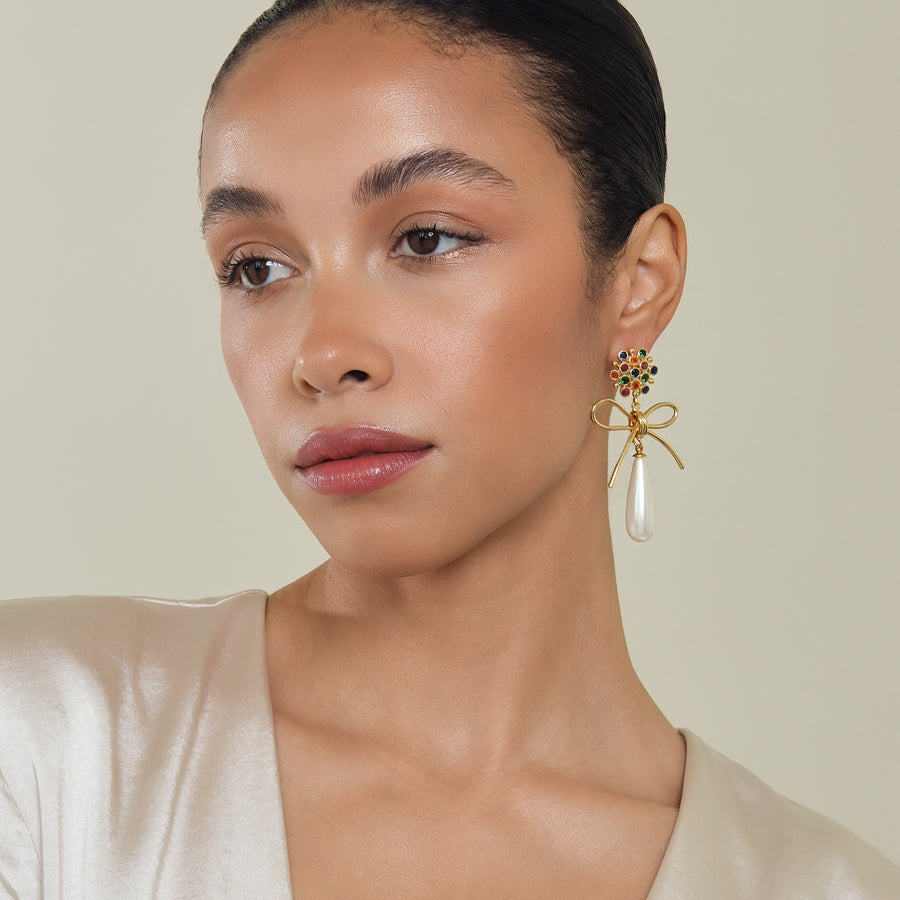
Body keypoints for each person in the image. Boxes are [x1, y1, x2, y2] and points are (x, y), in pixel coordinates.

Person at [1, 0, 898, 897]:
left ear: (638, 284)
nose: (323, 355)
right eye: (256, 268)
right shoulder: (45, 741)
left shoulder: (818, 885)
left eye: (426, 240)